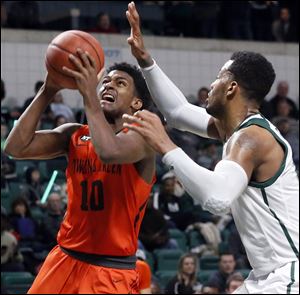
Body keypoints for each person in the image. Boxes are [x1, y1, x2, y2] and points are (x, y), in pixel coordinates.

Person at [124, 2, 299, 294]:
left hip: (288, 273)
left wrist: (165, 146)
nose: (212, 83)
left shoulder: (251, 138)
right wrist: (145, 60)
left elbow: (217, 198)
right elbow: (177, 111)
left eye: (219, 77)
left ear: (231, 89)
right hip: (268, 274)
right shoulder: (234, 129)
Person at [4, 47, 156, 293]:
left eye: (120, 83)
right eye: (105, 81)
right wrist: (48, 90)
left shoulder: (143, 139)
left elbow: (109, 151)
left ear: (136, 103)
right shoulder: (73, 134)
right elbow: (15, 148)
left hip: (109, 270)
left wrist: (89, 97)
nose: (108, 86)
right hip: (64, 259)